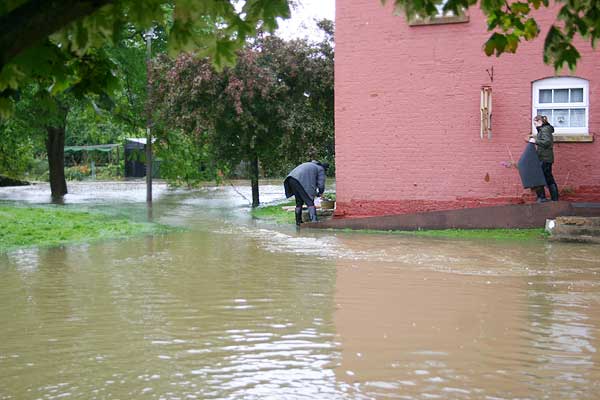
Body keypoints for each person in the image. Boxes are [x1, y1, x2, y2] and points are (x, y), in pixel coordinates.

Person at [284, 161, 329, 225]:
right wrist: (321, 192)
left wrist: (316, 193)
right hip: (300, 180)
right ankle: (314, 222)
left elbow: (309, 185)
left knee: (299, 202)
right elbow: (321, 184)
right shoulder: (320, 169)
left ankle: (298, 221)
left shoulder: (310, 165)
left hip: (290, 179)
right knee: (309, 201)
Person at [529, 115, 559, 202]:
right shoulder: (543, 129)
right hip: (544, 158)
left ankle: (546, 198)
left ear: (540, 122)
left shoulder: (545, 129)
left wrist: (535, 141)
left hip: (545, 159)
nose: (535, 125)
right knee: (547, 177)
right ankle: (549, 198)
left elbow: (547, 142)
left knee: (547, 178)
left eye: (535, 123)